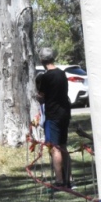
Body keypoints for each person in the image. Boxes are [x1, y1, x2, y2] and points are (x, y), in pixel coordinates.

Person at [35, 47, 73, 190]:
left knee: (54, 148)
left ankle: (59, 181)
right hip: (64, 114)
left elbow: (42, 96)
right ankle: (69, 178)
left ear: (42, 60)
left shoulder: (46, 77)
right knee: (63, 146)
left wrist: (39, 98)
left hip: (53, 115)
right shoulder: (62, 74)